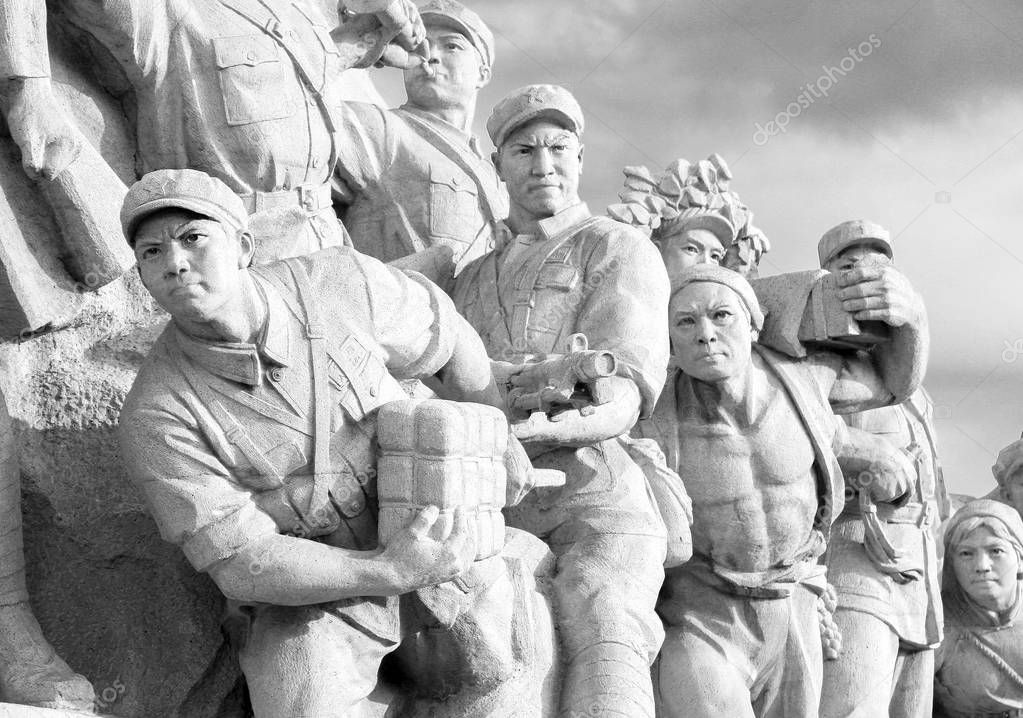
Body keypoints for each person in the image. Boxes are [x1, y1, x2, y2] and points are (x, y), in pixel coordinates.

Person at [116, 168, 552, 717]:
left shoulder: (338, 281)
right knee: (301, 696)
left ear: (244, 246)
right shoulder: (157, 414)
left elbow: (448, 339)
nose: (174, 263)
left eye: (193, 238)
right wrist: (386, 571)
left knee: (498, 667)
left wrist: (497, 430)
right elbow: (243, 560)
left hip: (440, 533)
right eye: (151, 253)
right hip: (319, 592)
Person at [452, 84, 675, 718]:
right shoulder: (468, 280)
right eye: (523, 150)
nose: (542, 164)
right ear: (498, 165)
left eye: (557, 147)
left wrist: (569, 416)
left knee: (600, 604)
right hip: (493, 492)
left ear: (580, 158)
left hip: (594, 486)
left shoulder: (616, 246)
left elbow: (626, 385)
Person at [640, 264, 928, 718]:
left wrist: (913, 320)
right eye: (686, 322)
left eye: (721, 316)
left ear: (754, 326)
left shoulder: (804, 383)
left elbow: (893, 384)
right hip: (701, 619)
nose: (706, 334)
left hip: (791, 610)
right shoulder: (649, 418)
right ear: (670, 341)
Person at [0, 0, 428, 262]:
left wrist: (376, 26)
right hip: (233, 252)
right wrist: (27, 88)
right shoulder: (165, 11)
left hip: (326, 241)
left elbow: (313, 67)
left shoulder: (289, 10)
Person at [816, 220, 948, 718]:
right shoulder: (819, 368)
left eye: (879, 269)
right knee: (852, 708)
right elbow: (786, 434)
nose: (866, 281)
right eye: (849, 269)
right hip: (854, 561)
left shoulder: (917, 393)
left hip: (919, 581)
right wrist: (855, 454)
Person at [335, 0, 508, 276]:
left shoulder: (501, 179)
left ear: (483, 73)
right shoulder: (381, 128)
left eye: (452, 45)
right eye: (421, 44)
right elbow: (296, 117)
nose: (430, 55)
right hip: (392, 314)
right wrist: (351, 46)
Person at [934, 500, 1023, 717]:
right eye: (966, 553)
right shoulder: (936, 626)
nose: (982, 566)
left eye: (996, 551)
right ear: (951, 564)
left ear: (1020, 559)